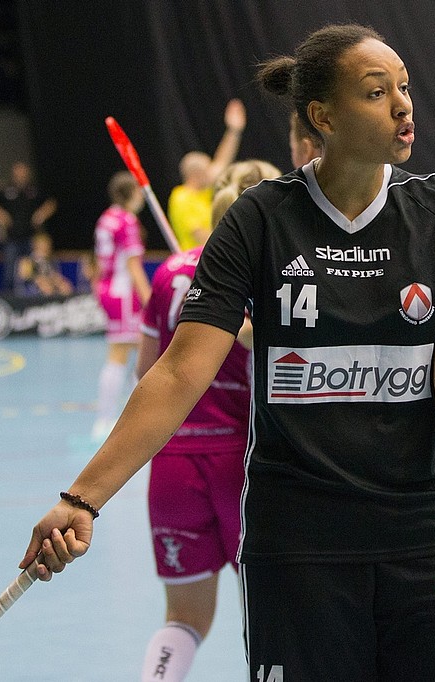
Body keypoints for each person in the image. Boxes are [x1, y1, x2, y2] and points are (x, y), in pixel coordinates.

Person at [21, 24, 435, 682]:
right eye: (377, 93)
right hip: (299, 544)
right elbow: (180, 371)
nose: (403, 105)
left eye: (405, 88)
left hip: (428, 536)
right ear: (322, 117)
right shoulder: (260, 220)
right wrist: (82, 498)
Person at [136, 171, 274, 682]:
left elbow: (147, 372)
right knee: (271, 614)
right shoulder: (265, 274)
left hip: (172, 461)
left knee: (184, 617)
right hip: (242, 463)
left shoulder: (168, 273)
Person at [91, 171, 153, 439]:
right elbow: (133, 266)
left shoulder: (106, 218)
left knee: (128, 352)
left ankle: (110, 421)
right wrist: (151, 301)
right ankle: (115, 423)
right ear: (131, 193)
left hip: (108, 290)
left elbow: (99, 261)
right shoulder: (127, 221)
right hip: (125, 294)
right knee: (138, 354)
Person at [166, 99, 247, 250]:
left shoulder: (203, 193)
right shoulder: (181, 197)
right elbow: (201, 235)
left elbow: (221, 162)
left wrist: (233, 131)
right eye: (208, 169)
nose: (212, 172)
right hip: (194, 259)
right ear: (196, 175)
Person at [0, 161, 58, 291]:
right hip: (12, 238)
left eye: (23, 171)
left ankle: (35, 296)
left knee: (36, 271)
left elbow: (51, 203)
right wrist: (1, 216)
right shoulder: (5, 190)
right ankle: (10, 298)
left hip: (32, 238)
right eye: (18, 172)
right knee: (10, 274)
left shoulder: (34, 190)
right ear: (13, 173)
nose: (21, 174)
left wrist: (41, 214)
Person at [15, 231, 74, 297]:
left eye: (48, 245)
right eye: (43, 245)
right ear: (36, 245)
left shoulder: (51, 261)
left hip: (49, 283)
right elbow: (25, 276)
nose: (47, 247)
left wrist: (61, 282)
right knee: (46, 286)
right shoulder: (27, 260)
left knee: (65, 286)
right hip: (31, 289)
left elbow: (54, 275)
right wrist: (39, 279)